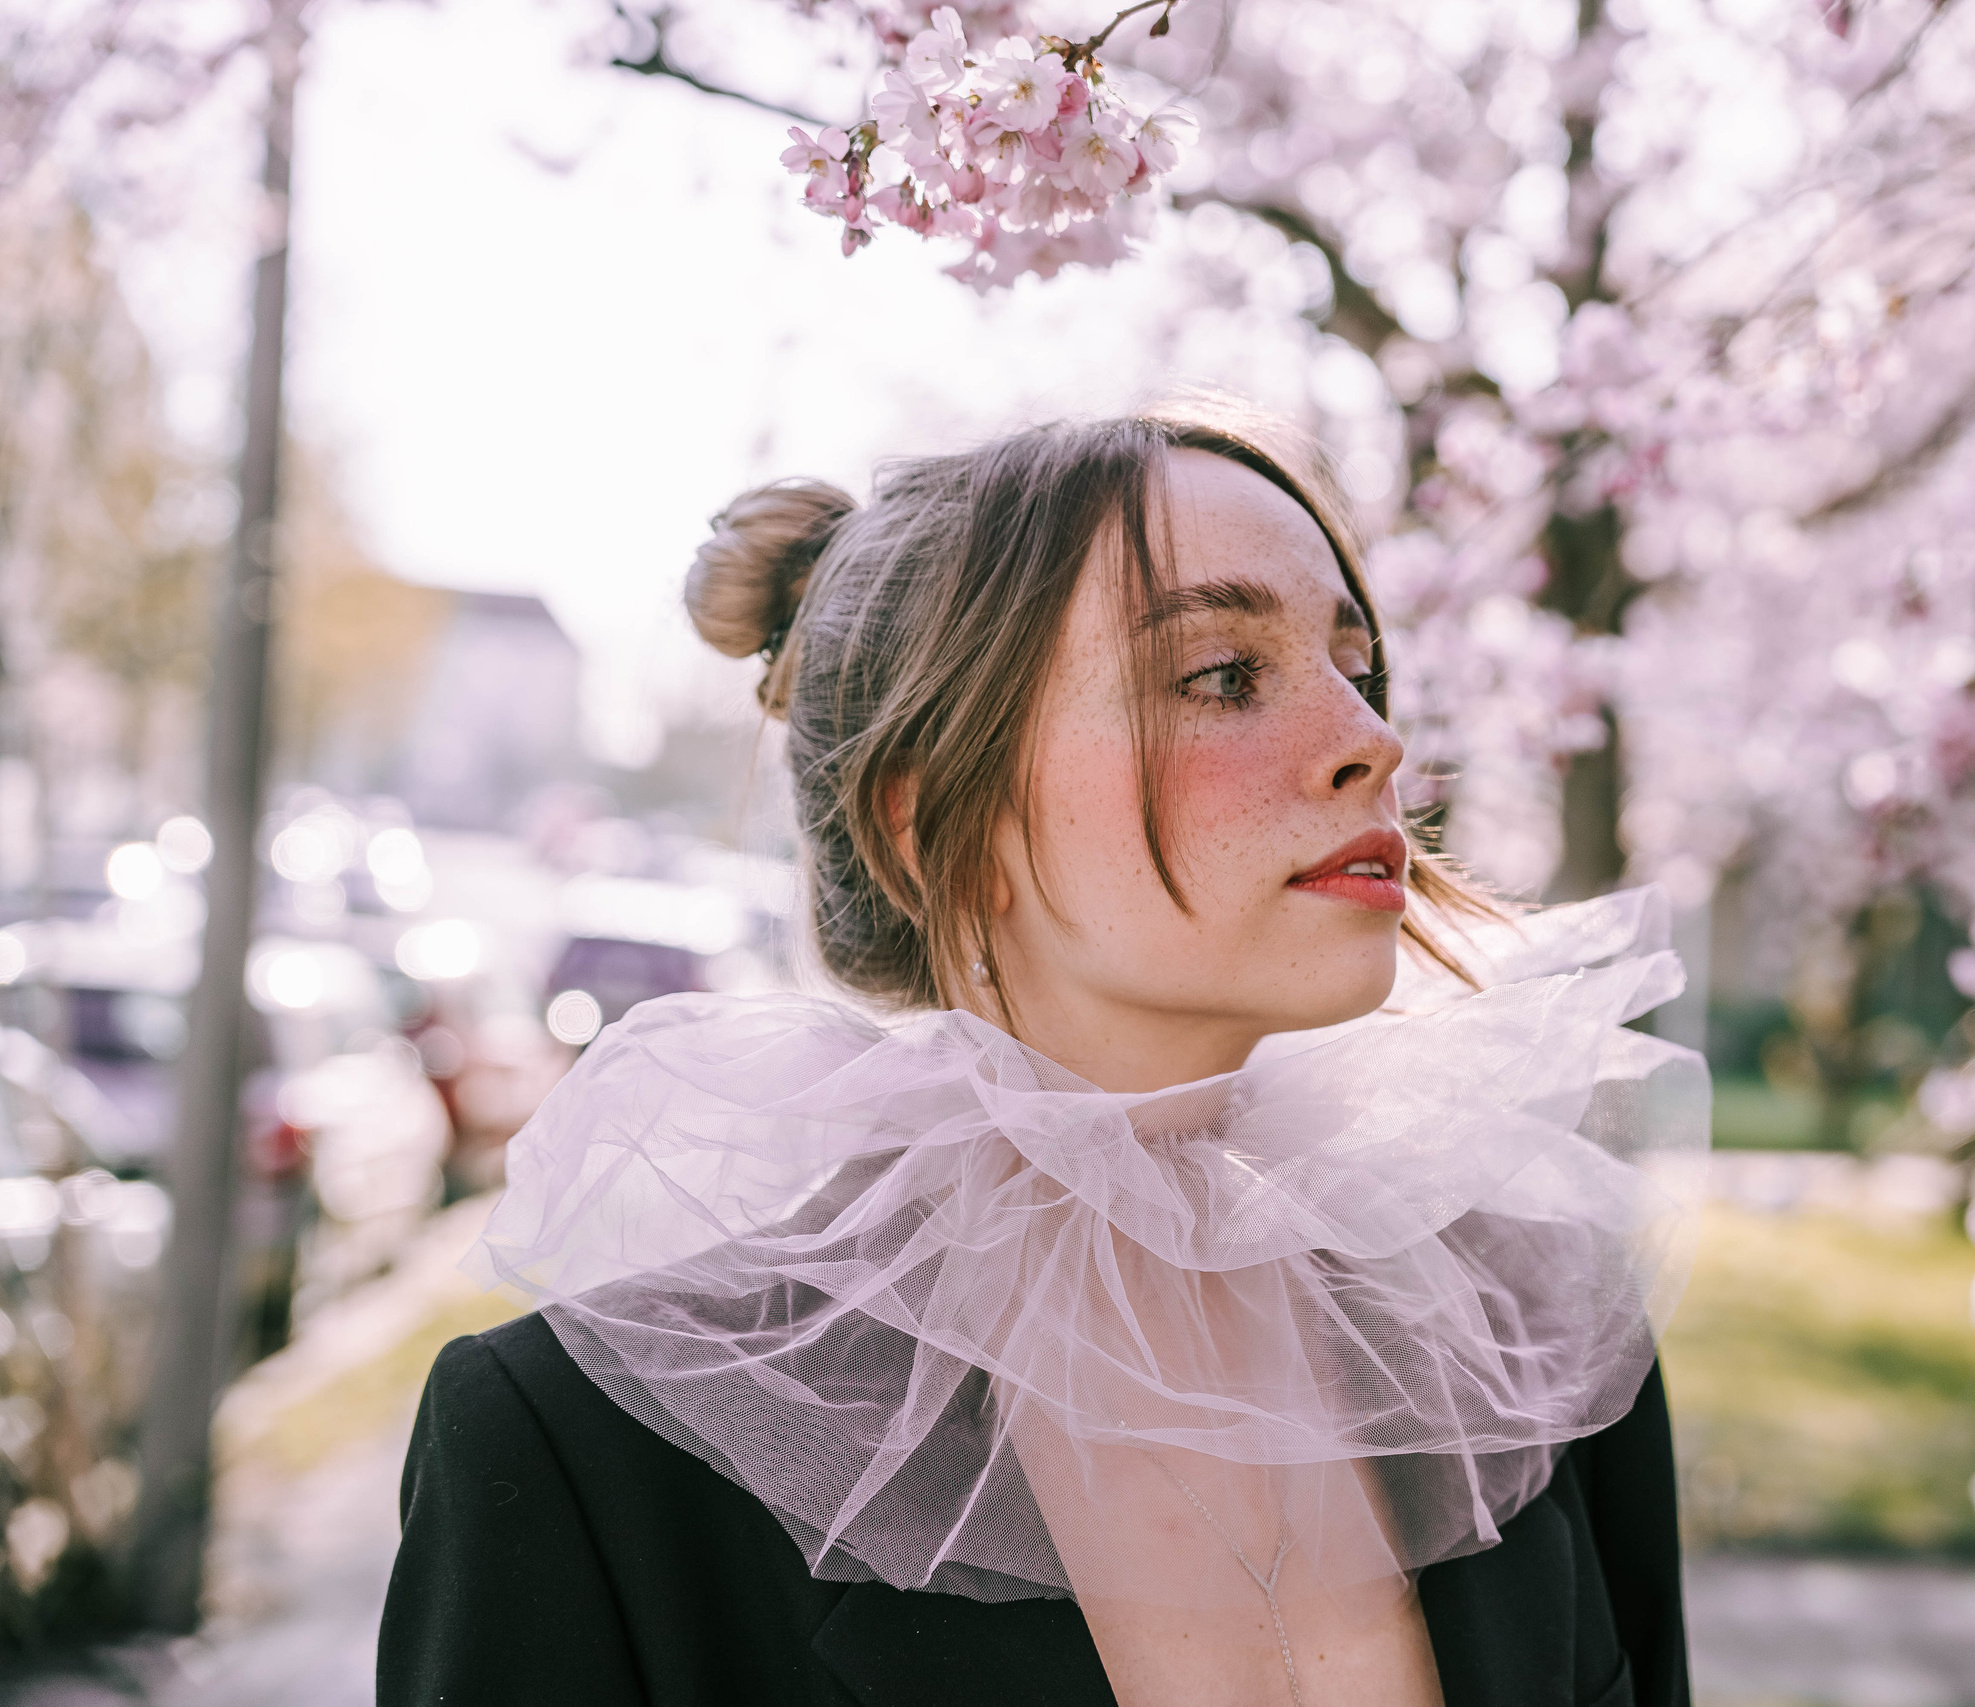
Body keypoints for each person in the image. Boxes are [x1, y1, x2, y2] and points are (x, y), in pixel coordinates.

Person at [377, 401, 1702, 1707]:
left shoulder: (1534, 1352)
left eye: (1357, 668)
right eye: (1224, 675)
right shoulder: (590, 1461)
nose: (1373, 740)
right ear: (925, 826)